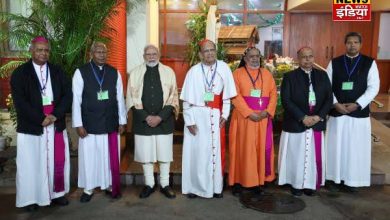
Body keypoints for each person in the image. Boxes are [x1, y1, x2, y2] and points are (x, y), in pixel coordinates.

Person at [11, 36, 72, 211]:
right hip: (32, 127)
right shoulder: (21, 73)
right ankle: (31, 198)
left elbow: (68, 95)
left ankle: (57, 194)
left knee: (57, 161)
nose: (43, 53)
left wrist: (54, 115)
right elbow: (20, 102)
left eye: (46, 50)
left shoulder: (57, 71)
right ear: (31, 50)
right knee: (31, 164)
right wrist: (40, 118)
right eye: (39, 49)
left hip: (55, 124)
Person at [180, 39, 237, 198]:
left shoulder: (224, 68)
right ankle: (195, 188)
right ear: (200, 54)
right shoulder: (193, 71)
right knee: (197, 153)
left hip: (216, 115)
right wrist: (189, 121)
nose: (210, 53)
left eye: (212, 50)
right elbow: (187, 100)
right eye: (206, 51)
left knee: (215, 153)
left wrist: (225, 115)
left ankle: (215, 187)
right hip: (197, 117)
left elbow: (227, 97)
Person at [72, 41, 127, 202]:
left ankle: (109, 185)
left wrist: (122, 121)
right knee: (90, 157)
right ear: (91, 54)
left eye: (104, 52)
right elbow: (76, 100)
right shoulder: (81, 72)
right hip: (89, 124)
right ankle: (88, 188)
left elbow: (120, 99)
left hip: (110, 122)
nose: (102, 55)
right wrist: (78, 124)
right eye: (98, 52)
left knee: (108, 157)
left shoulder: (113, 72)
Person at [325, 32, 380, 192]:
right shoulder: (334, 62)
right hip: (338, 113)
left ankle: (352, 180)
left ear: (360, 45)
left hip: (358, 114)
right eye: (349, 42)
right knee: (335, 147)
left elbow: (373, 87)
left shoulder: (369, 63)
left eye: (356, 42)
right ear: (345, 44)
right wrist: (335, 104)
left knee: (355, 149)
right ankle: (334, 179)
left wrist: (358, 104)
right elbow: (326, 86)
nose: (352, 45)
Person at [126, 45, 179, 199]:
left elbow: (173, 96)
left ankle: (164, 184)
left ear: (159, 55)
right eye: (148, 54)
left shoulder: (169, 72)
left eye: (154, 54)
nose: (151, 57)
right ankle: (149, 184)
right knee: (146, 155)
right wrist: (146, 117)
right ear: (144, 56)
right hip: (143, 122)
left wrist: (160, 117)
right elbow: (131, 97)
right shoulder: (135, 73)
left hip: (164, 120)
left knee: (164, 154)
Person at [278, 47, 333, 196]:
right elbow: (286, 100)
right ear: (298, 59)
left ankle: (310, 184)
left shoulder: (322, 75)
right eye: (304, 57)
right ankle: (296, 184)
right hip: (296, 123)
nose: (307, 60)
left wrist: (318, 116)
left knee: (313, 156)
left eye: (310, 56)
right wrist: (303, 117)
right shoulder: (290, 76)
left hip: (316, 122)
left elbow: (329, 99)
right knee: (296, 156)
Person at [228, 47, 277, 196]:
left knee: (260, 150)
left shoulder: (267, 74)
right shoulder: (237, 74)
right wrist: (249, 113)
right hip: (244, 119)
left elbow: (274, 94)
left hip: (263, 118)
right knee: (242, 150)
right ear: (245, 58)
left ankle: (258, 181)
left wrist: (267, 112)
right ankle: (238, 181)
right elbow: (234, 95)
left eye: (257, 56)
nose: (255, 59)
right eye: (251, 56)